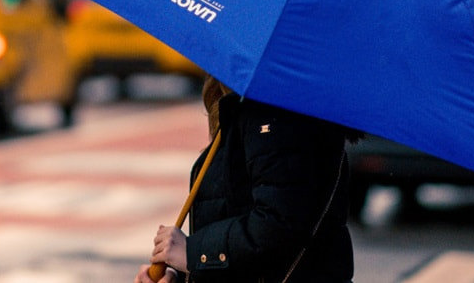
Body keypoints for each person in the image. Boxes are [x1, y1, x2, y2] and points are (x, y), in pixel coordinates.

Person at [135, 76, 363, 283]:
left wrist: (194, 253)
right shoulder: (244, 106)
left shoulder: (275, 114)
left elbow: (279, 222)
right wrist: (183, 271)